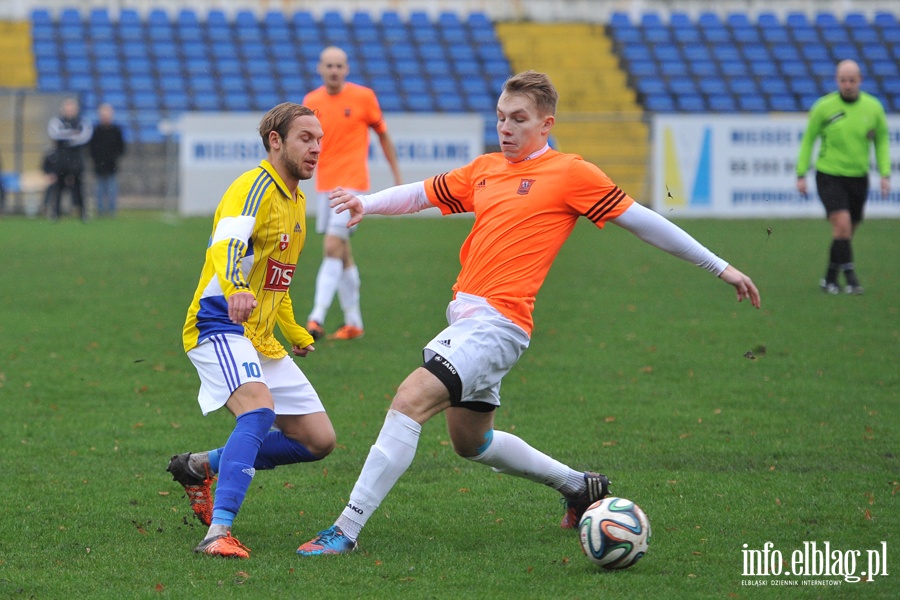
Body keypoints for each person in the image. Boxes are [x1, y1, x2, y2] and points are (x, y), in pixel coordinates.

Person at [296, 71, 761, 556]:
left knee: (410, 398)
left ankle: (345, 530)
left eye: (519, 119)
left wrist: (718, 266)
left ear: (546, 124)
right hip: (469, 321)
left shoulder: (571, 173)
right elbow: (424, 193)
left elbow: (643, 221)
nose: (506, 127)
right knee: (470, 441)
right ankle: (580, 486)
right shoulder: (487, 168)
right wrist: (365, 204)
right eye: (500, 117)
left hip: (497, 324)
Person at [167, 103, 335, 559]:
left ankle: (200, 467)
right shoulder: (253, 186)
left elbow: (277, 280)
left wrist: (296, 331)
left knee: (318, 440)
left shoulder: (297, 201)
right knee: (257, 413)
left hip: (259, 336)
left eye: (320, 139)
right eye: (305, 137)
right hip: (218, 321)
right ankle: (217, 533)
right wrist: (237, 286)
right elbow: (229, 242)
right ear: (275, 141)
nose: (316, 147)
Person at [303, 46, 402, 341]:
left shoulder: (364, 97)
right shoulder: (311, 101)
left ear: (347, 69)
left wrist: (397, 176)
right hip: (325, 186)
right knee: (343, 253)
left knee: (332, 246)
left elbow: (383, 134)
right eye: (329, 65)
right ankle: (354, 322)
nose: (334, 70)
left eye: (339, 66)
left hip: (352, 186)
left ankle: (316, 317)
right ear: (320, 69)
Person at [796, 59, 891, 295]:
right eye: (843, 80)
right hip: (829, 174)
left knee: (846, 232)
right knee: (842, 226)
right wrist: (801, 173)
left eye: (852, 80)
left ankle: (829, 279)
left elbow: (881, 142)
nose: (847, 84)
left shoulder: (873, 108)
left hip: (858, 176)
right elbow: (808, 140)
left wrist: (885, 173)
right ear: (837, 80)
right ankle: (851, 278)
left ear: (860, 80)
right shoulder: (823, 107)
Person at [46, 97, 92, 221]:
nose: (69, 110)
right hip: (61, 159)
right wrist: (73, 135)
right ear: (62, 109)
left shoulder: (82, 122)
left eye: (72, 108)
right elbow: (54, 134)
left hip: (76, 159)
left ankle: (83, 213)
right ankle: (55, 213)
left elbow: (85, 136)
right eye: (67, 107)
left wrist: (66, 137)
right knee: (58, 186)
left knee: (79, 186)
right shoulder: (56, 121)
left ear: (76, 109)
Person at [88, 103, 126, 217]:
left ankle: (112, 211)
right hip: (98, 165)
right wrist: (96, 160)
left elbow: (121, 148)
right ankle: (100, 211)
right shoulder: (95, 130)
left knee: (112, 189)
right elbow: (91, 148)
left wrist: (113, 157)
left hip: (111, 165)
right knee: (99, 189)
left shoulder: (116, 130)